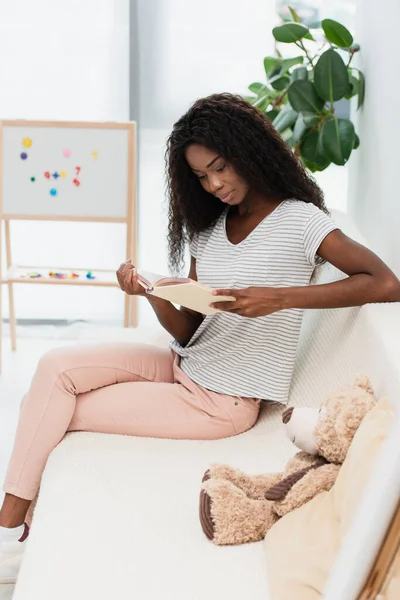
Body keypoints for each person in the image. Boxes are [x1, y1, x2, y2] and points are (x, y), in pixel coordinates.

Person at [0, 93, 399, 583]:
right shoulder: (209, 228)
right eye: (201, 176)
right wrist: (152, 293)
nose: (214, 184)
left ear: (249, 152)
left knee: (60, 412)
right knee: (54, 370)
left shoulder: (300, 220)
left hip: (221, 402)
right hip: (183, 364)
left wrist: (278, 298)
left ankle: (10, 529)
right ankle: (12, 524)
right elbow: (191, 330)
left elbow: (385, 282)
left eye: (221, 168)